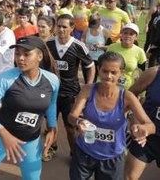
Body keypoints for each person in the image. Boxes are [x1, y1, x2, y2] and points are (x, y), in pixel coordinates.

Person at [0, 36, 59, 180]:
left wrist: (52, 127)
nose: (20, 58)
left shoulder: (52, 80)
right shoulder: (7, 78)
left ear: (39, 56)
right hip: (0, 138)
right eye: (17, 53)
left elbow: (51, 104)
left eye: (26, 54)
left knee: (32, 178)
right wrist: (4, 135)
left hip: (30, 141)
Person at [68, 51, 155, 180]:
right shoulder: (88, 90)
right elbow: (71, 116)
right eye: (104, 71)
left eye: (113, 72)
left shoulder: (127, 97)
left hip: (112, 158)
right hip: (84, 154)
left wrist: (144, 130)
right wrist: (78, 122)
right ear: (98, 69)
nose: (108, 76)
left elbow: (150, 125)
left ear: (121, 72)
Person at [46, 14, 95, 159]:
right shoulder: (48, 43)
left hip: (71, 93)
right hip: (52, 92)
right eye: (58, 26)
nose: (61, 29)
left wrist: (88, 86)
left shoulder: (78, 46)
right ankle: (52, 148)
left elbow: (91, 66)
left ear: (72, 28)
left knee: (70, 127)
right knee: (50, 124)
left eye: (64, 27)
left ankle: (74, 152)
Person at [126, 65, 160, 179]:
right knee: (130, 177)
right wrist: (133, 119)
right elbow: (130, 95)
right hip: (145, 138)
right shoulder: (154, 73)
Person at [107, 23, 146, 90]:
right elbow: (104, 68)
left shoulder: (140, 52)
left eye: (131, 34)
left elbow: (142, 74)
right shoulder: (111, 48)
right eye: (125, 33)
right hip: (110, 87)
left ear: (136, 37)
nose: (127, 36)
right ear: (121, 35)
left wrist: (142, 93)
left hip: (128, 90)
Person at [82, 15, 110, 82]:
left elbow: (111, 46)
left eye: (95, 25)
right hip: (88, 58)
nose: (93, 27)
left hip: (99, 59)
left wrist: (100, 47)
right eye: (92, 25)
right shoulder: (86, 29)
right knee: (88, 81)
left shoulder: (105, 32)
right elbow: (82, 40)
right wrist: (83, 45)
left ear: (100, 22)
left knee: (98, 81)